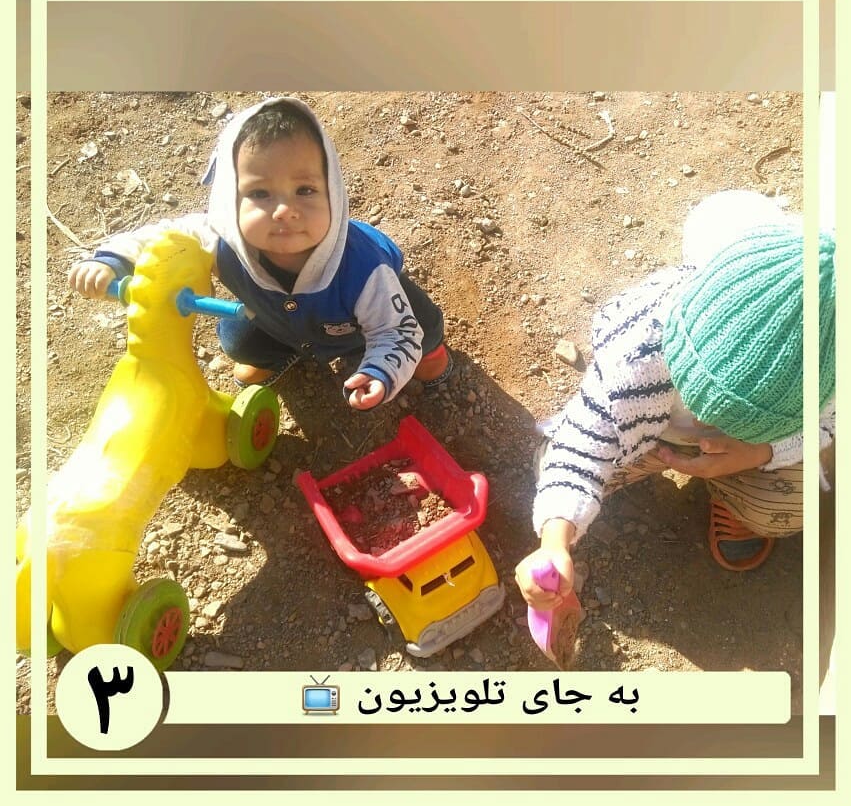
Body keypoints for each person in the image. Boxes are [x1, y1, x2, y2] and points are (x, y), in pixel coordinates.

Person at [515, 190, 835, 621]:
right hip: (650, 431)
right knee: (558, 468)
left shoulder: (832, 366)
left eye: (742, 419)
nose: (705, 419)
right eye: (701, 397)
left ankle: (733, 495)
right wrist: (553, 542)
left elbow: (831, 423)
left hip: (741, 454)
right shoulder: (638, 354)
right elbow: (581, 448)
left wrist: (761, 450)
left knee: (793, 505)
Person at [68, 96, 452, 411]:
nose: (284, 210)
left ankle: (430, 355)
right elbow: (163, 238)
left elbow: (394, 330)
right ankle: (280, 356)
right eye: (259, 193)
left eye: (305, 190)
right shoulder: (219, 236)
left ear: (334, 192)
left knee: (422, 325)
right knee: (237, 340)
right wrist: (112, 260)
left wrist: (382, 371)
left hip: (359, 325)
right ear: (228, 200)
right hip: (277, 321)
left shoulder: (365, 268)